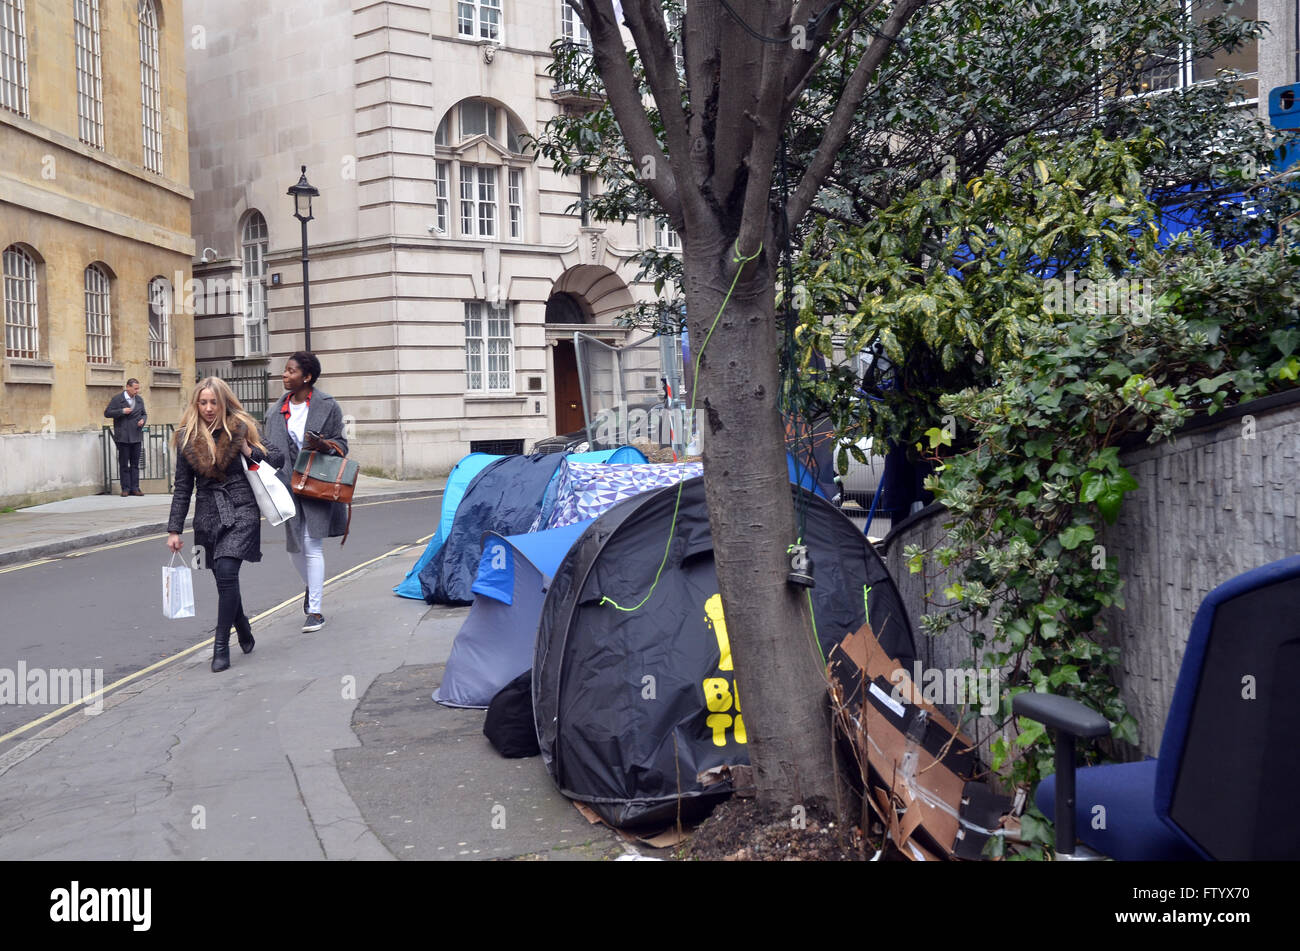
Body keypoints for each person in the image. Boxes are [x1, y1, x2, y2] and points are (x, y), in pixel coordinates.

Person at [166, 377, 284, 672]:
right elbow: (182, 488)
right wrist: (174, 530)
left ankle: (221, 646)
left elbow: (278, 459)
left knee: (228, 571)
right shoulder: (186, 437)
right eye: (202, 402)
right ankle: (242, 624)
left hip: (242, 507)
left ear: (223, 402)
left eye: (213, 402)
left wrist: (247, 449)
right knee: (222, 578)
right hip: (207, 513)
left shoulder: (241, 425)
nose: (208, 408)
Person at [262, 351, 350, 633]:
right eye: (285, 371)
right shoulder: (274, 412)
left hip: (316, 483)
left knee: (312, 544)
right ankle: (312, 587)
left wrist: (324, 444)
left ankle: (315, 611)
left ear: (307, 377)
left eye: (290, 371)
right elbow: (267, 451)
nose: (284, 375)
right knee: (294, 548)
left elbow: (342, 445)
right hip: (286, 486)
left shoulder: (328, 406)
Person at [104, 378, 147, 496]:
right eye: (135, 388)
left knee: (135, 464)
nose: (137, 391)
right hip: (123, 436)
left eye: (138, 388)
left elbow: (144, 413)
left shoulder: (139, 400)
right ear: (128, 387)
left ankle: (135, 488)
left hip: (136, 436)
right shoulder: (118, 399)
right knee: (124, 464)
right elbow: (107, 413)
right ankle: (125, 489)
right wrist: (122, 411)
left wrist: (143, 420)